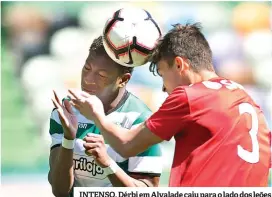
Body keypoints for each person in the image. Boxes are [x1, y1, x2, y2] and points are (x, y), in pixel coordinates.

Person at [63, 23, 271, 187]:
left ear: (180, 65)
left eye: (162, 74)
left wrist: (96, 115)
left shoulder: (190, 96)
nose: (163, 88)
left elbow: (126, 145)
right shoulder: (242, 94)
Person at [49, 36, 162, 197]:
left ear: (123, 80)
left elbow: (147, 191)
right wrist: (68, 139)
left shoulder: (140, 119)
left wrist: (107, 163)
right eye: (87, 69)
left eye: (101, 75)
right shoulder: (66, 111)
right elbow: (60, 191)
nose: (88, 80)